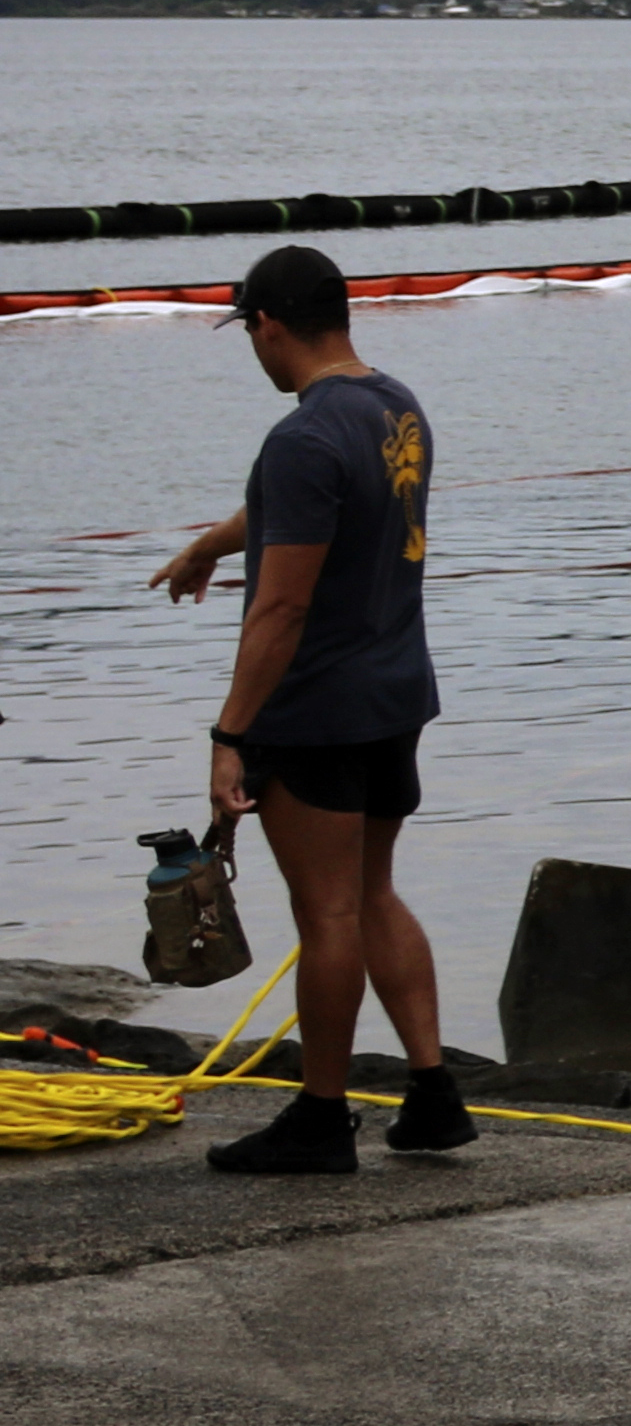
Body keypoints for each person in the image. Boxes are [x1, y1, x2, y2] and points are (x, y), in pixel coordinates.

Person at [151, 247, 469, 1176]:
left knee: (324, 913)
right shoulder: (392, 403)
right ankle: (433, 1094)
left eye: (249, 329)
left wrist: (230, 736)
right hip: (397, 692)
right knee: (371, 893)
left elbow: (281, 607)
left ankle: (322, 1119)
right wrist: (209, 546)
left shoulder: (300, 437)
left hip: (318, 709)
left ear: (268, 325)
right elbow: (302, 510)